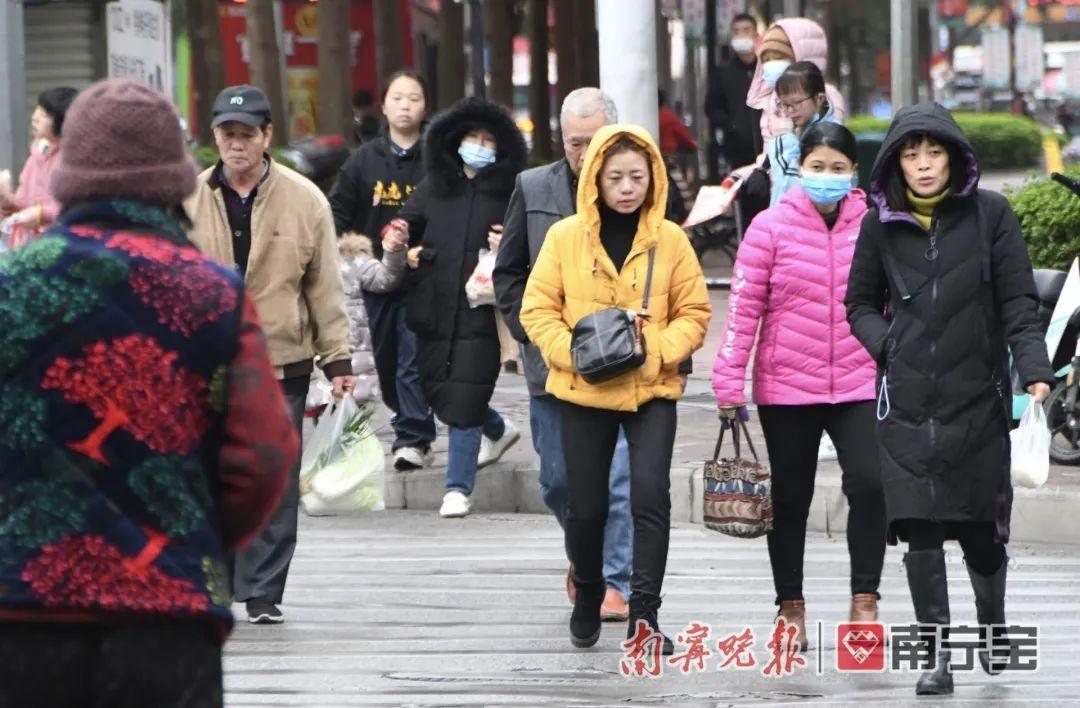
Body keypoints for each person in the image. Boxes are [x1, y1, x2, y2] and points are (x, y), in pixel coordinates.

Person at [0, 79, 298, 707]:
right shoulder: (211, 292)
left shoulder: (11, 285)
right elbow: (264, 453)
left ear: (69, 172)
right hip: (168, 615)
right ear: (175, 180)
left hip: (21, 611)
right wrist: (196, 535)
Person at [845, 102, 1055, 696]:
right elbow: (858, 302)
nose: (923, 164)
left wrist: (1033, 368)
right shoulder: (878, 224)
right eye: (910, 155)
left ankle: (992, 623)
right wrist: (888, 347)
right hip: (905, 407)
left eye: (933, 152)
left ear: (954, 156)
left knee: (982, 534)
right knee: (920, 528)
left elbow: (1018, 301)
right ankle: (935, 652)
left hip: (976, 402)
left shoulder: (990, 214)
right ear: (895, 163)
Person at [520, 125, 711, 654]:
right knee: (585, 506)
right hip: (582, 391)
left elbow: (695, 312)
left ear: (653, 178)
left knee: (651, 497)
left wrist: (658, 352)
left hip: (652, 390)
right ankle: (587, 591)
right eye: (615, 177)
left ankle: (644, 615)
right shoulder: (564, 237)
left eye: (637, 176)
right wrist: (571, 354)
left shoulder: (671, 239)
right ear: (595, 182)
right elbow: (537, 308)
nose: (627, 187)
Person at [712, 123, 885, 650]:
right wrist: (728, 381)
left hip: (860, 379)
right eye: (817, 167)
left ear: (853, 173)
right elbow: (743, 309)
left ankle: (865, 601)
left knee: (872, 487)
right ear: (799, 168)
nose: (827, 178)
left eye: (838, 169)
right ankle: (790, 607)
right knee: (790, 499)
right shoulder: (769, 228)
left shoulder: (875, 226)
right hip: (786, 386)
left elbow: (894, 302)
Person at [186, 85, 355, 625]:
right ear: (214, 137)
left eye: (246, 134)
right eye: (226, 134)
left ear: (267, 138)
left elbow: (324, 285)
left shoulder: (305, 199)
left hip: (282, 360)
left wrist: (339, 360)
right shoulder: (188, 198)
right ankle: (219, 581)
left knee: (275, 478)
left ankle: (263, 591)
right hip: (207, 363)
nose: (235, 144)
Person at [493, 87, 634, 622]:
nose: (583, 152)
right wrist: (529, 331)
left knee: (615, 477)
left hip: (620, 366)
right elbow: (510, 270)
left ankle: (615, 582)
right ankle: (584, 559)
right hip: (551, 366)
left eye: (593, 140)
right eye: (575, 142)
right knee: (558, 482)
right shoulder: (532, 186)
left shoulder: (634, 188)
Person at [386, 97, 525, 519]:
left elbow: (531, 244)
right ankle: (498, 429)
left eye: (489, 140)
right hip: (432, 303)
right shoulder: (434, 183)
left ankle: (457, 488)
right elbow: (407, 222)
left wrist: (509, 247)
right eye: (473, 138)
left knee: (466, 389)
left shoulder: (511, 192)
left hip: (481, 308)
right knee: (437, 386)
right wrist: (397, 240)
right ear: (455, 140)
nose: (480, 146)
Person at [329, 70, 437, 472]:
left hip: (422, 276)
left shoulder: (437, 160)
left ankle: (413, 438)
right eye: (397, 97)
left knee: (412, 359)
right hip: (374, 279)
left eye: (414, 97)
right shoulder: (363, 162)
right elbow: (338, 213)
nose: (406, 105)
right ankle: (413, 420)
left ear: (425, 106)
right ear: (384, 106)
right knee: (387, 362)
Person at [744, 18, 844, 147]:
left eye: (779, 57)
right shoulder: (771, 101)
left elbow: (830, 146)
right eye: (766, 59)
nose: (771, 64)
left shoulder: (828, 95)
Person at [338, 227, 410, 405]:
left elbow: (385, 279)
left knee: (351, 415)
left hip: (353, 351)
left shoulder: (350, 258)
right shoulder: (299, 259)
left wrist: (394, 251)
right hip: (316, 353)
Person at [0, 86, 78, 245]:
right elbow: (23, 204)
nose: (34, 117)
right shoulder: (37, 152)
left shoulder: (74, 160)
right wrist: (6, 201)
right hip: (29, 243)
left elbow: (76, 208)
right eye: (37, 110)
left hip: (59, 243)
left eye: (44, 115)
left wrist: (42, 214)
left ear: (63, 121)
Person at [768, 62, 841, 205]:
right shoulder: (802, 128)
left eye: (795, 103)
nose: (789, 110)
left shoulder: (830, 137)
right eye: (784, 104)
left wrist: (784, 145)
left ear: (819, 99)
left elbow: (791, 186)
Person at [705, 12, 763, 172]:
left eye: (746, 30)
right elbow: (712, 108)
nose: (742, 35)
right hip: (737, 152)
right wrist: (731, 126)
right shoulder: (723, 72)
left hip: (767, 146)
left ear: (756, 34)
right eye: (737, 31)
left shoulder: (766, 69)